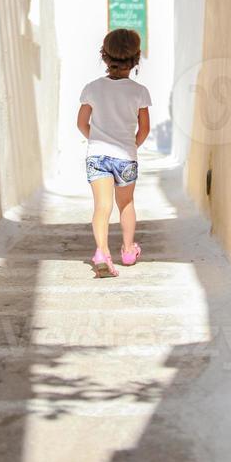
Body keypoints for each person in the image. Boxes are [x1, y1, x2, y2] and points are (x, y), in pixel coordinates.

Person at [77, 29, 151, 277]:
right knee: (126, 203)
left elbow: (81, 123)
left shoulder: (92, 88)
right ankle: (129, 251)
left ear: (104, 56)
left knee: (102, 206)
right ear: (135, 59)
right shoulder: (139, 91)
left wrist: (97, 140)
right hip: (126, 156)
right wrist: (131, 146)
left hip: (97, 155)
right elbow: (144, 128)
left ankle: (101, 252)